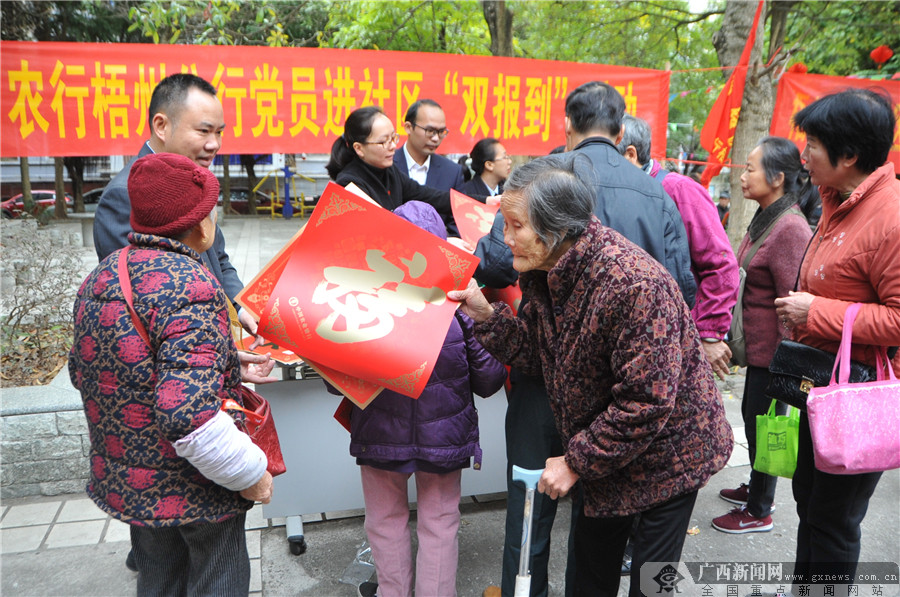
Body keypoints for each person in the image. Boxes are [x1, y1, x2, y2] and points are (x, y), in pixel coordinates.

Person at [451, 154, 733, 597]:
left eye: (515, 226)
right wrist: (486, 316)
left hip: (667, 458)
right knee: (589, 576)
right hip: (606, 455)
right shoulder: (549, 273)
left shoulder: (633, 284)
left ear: (557, 227)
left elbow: (646, 402)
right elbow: (540, 355)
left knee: (651, 584)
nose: (505, 240)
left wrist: (575, 460)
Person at [69, 153, 275, 596]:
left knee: (158, 580)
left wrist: (225, 359)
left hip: (132, 481)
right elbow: (189, 418)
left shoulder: (102, 277)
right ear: (202, 226)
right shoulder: (193, 286)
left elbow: (92, 368)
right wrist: (251, 474)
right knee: (217, 579)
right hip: (195, 487)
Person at [326, 201, 507, 597]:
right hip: (445, 440)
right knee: (440, 522)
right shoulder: (459, 307)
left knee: (384, 521)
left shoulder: (364, 298)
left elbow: (334, 379)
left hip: (378, 435)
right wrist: (485, 317)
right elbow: (491, 379)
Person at [774, 88, 900, 592]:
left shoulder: (889, 219)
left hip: (857, 395)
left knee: (834, 519)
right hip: (819, 387)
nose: (804, 154)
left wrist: (817, 311)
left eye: (814, 145)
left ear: (849, 156)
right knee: (809, 502)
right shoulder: (835, 200)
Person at [711, 137, 813, 534]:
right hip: (756, 352)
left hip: (775, 355)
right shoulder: (767, 216)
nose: (743, 175)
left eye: (751, 168)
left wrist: (789, 364)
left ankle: (760, 509)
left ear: (778, 177)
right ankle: (756, 487)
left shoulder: (790, 228)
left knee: (769, 428)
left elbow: (794, 300)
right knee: (755, 424)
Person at [617, 114, 739, 380]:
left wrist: (708, 333)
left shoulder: (679, 189)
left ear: (630, 154)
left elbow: (721, 264)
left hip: (679, 339)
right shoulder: (618, 194)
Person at [564, 81, 696, 308]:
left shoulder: (537, 177)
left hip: (555, 335)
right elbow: (681, 289)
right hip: (637, 333)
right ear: (620, 133)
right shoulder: (656, 192)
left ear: (568, 124)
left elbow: (500, 262)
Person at [327, 105, 452, 225]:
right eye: (383, 142)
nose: (393, 146)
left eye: (393, 138)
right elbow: (382, 228)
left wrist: (466, 203)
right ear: (359, 148)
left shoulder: (390, 171)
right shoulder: (349, 183)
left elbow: (427, 196)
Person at [393, 99, 466, 235]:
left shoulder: (452, 172)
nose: (435, 138)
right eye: (430, 130)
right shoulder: (388, 164)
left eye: (441, 132)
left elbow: (458, 225)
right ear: (408, 127)